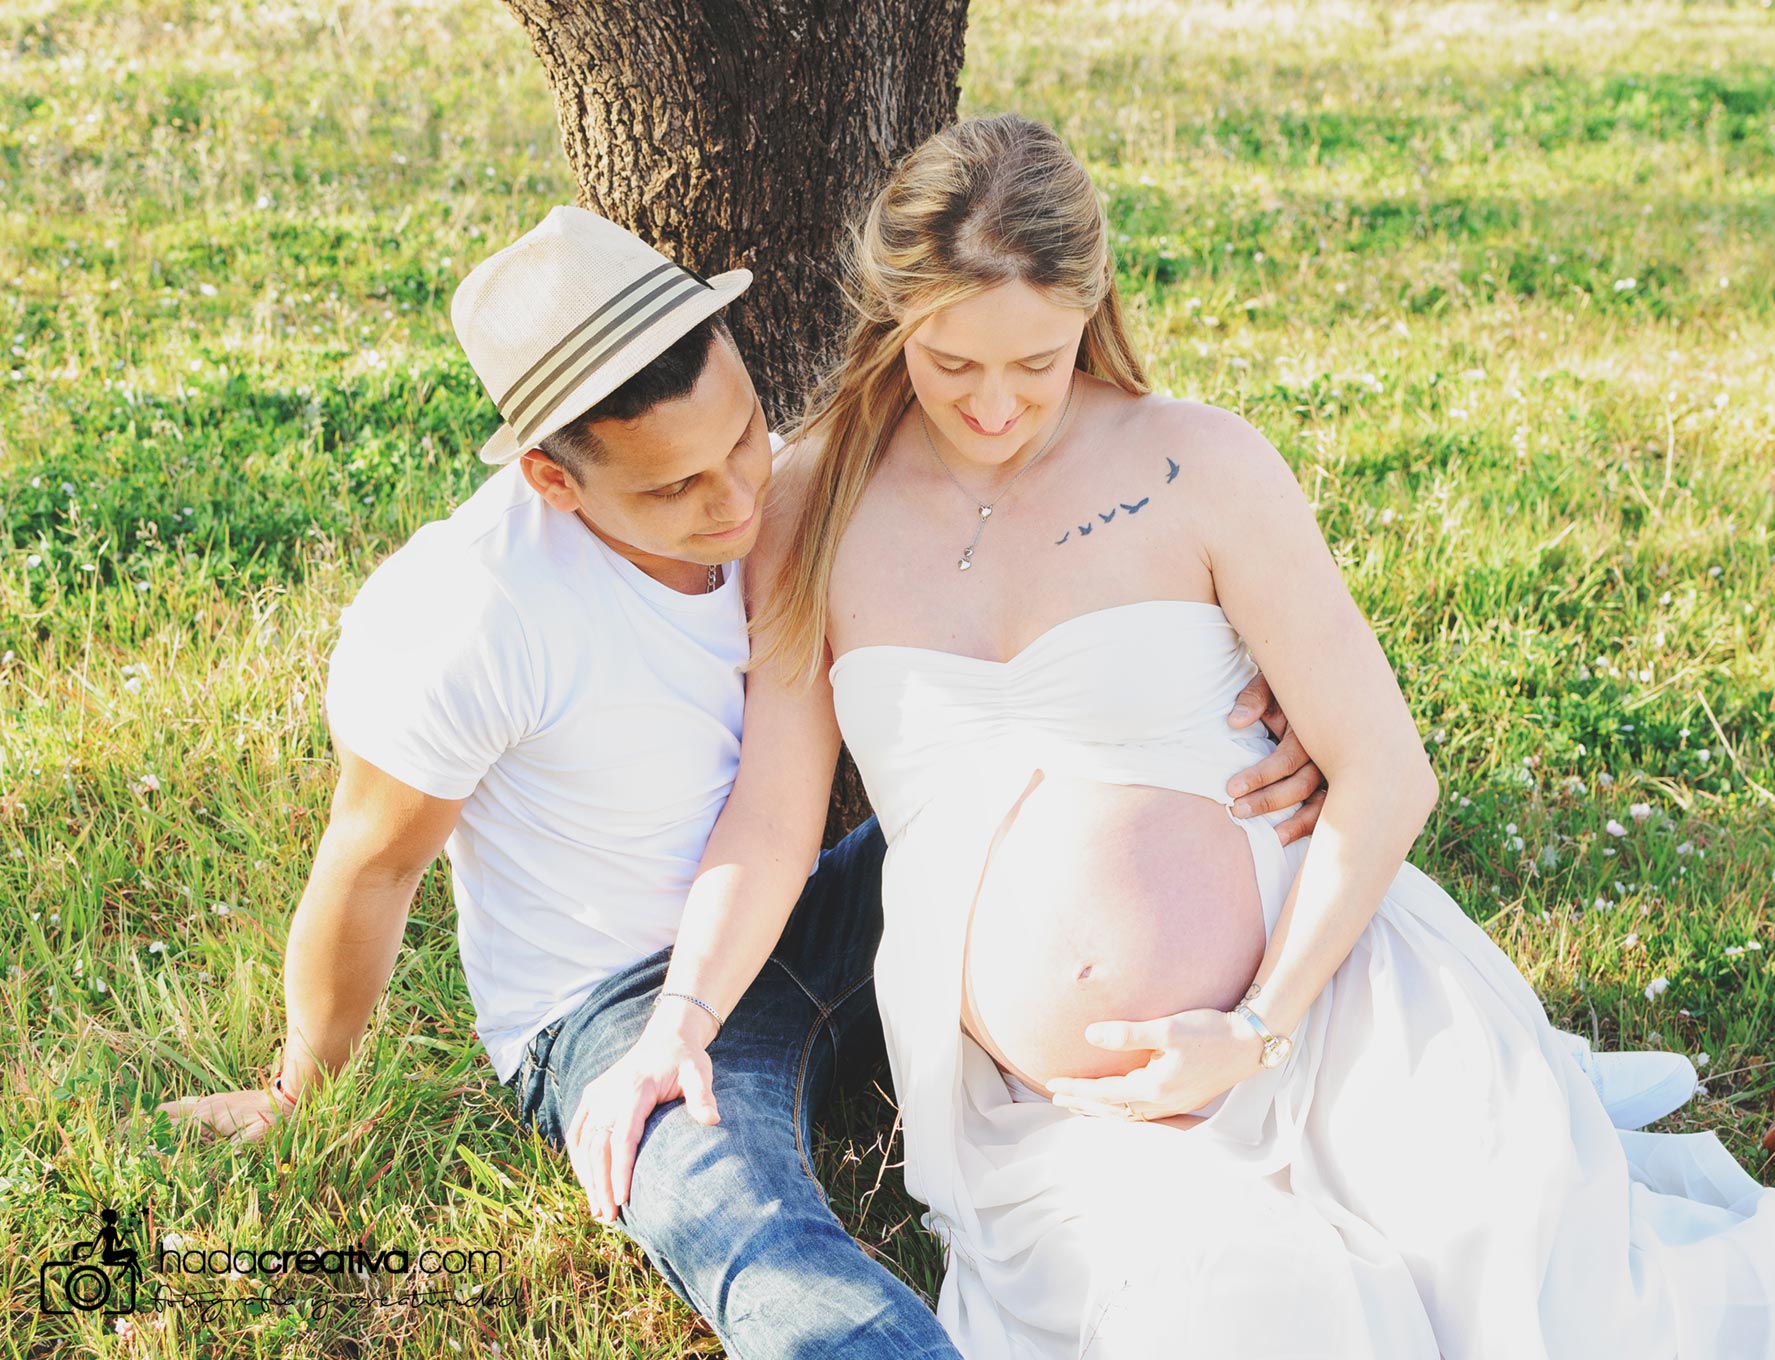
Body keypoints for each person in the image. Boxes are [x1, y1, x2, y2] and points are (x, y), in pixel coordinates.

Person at [696, 114, 1775, 1357]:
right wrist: (681, 1020)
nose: (993, 406)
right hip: (1076, 1112)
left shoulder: (1194, 462)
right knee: (1254, 1319)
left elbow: (1387, 772)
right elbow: (770, 813)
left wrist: (1258, 1028)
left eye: (1034, 365)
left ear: (1092, 312)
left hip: (1326, 998)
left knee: (1557, 1320)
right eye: (953, 366)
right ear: (894, 324)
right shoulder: (818, 498)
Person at [149, 205, 1327, 1359]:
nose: (736, 500)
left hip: (817, 904)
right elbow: (371, 863)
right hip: (616, 998)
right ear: (557, 485)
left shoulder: (788, 484)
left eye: (744, 435)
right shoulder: (467, 621)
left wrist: (1234, 703)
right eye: (675, 489)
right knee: (764, 1248)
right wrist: (302, 1083)